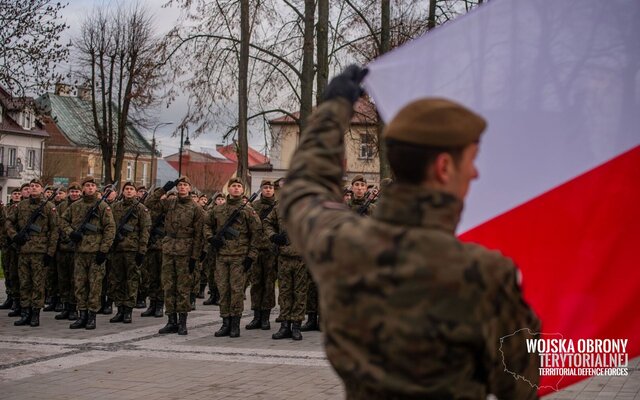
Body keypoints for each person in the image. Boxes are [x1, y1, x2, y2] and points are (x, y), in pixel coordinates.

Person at [279, 66, 541, 399]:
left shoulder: (340, 244)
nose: (475, 173)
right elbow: (521, 383)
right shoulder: (484, 274)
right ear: (444, 167)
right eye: (471, 160)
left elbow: (304, 187)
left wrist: (332, 109)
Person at [147, 176, 204, 335]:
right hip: (169, 249)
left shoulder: (196, 208)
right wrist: (163, 189)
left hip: (185, 252)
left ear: (190, 188)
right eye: (179, 185)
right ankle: (171, 320)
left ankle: (182, 322)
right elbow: (149, 204)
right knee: (168, 286)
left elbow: (199, 235)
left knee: (183, 287)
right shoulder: (170, 203)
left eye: (185, 185)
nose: (182, 187)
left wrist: (195, 257)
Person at [205, 178, 260, 338]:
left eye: (239, 186)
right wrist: (211, 238)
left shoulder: (248, 211)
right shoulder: (218, 209)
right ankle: (225, 322)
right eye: (233, 186)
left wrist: (251, 256)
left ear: (242, 190)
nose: (236, 189)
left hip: (239, 257)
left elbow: (256, 234)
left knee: (236, 291)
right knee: (223, 289)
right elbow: (206, 224)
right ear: (228, 189)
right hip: (222, 256)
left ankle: (235, 324)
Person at [60, 177, 116, 330]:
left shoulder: (103, 206)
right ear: (83, 188)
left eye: (92, 185)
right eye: (87, 185)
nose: (90, 188)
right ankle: (82, 314)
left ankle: (91, 316)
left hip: (96, 252)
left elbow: (110, 229)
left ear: (96, 188)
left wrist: (104, 250)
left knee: (95, 286)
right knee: (79, 285)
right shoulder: (75, 206)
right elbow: (63, 221)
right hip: (80, 252)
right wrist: (71, 233)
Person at [5, 179, 59, 327]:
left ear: (42, 190)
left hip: (40, 252)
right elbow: (9, 222)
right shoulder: (20, 206)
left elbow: (54, 231)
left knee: (38, 284)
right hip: (23, 250)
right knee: (24, 283)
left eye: (37, 186)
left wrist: (50, 252)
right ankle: (25, 312)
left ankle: (35, 313)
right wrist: (15, 236)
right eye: (31, 186)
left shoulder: (49, 207)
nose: (33, 188)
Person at [109, 181, 151, 324]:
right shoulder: (115, 207)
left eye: (131, 189)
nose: (128, 191)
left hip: (132, 250)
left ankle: (128, 310)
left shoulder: (141, 209)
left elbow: (145, 231)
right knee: (117, 280)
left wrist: (142, 250)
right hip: (117, 249)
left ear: (135, 192)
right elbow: (110, 227)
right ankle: (119, 308)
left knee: (132, 281)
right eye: (126, 189)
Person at [245, 179, 278, 331]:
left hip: (271, 251)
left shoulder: (278, 206)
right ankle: (256, 316)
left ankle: (265, 317)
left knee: (269, 285)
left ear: (274, 190)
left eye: (270, 188)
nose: (268, 190)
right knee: (256, 284)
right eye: (265, 188)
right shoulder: (254, 206)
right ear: (261, 190)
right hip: (256, 251)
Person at [55, 183, 82, 321]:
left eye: (77, 191)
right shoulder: (61, 207)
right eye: (72, 191)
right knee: (63, 279)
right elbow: (56, 225)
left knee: (75, 280)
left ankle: (73, 307)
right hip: (62, 249)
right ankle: (65, 306)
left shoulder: (84, 206)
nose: (74, 193)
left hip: (76, 250)